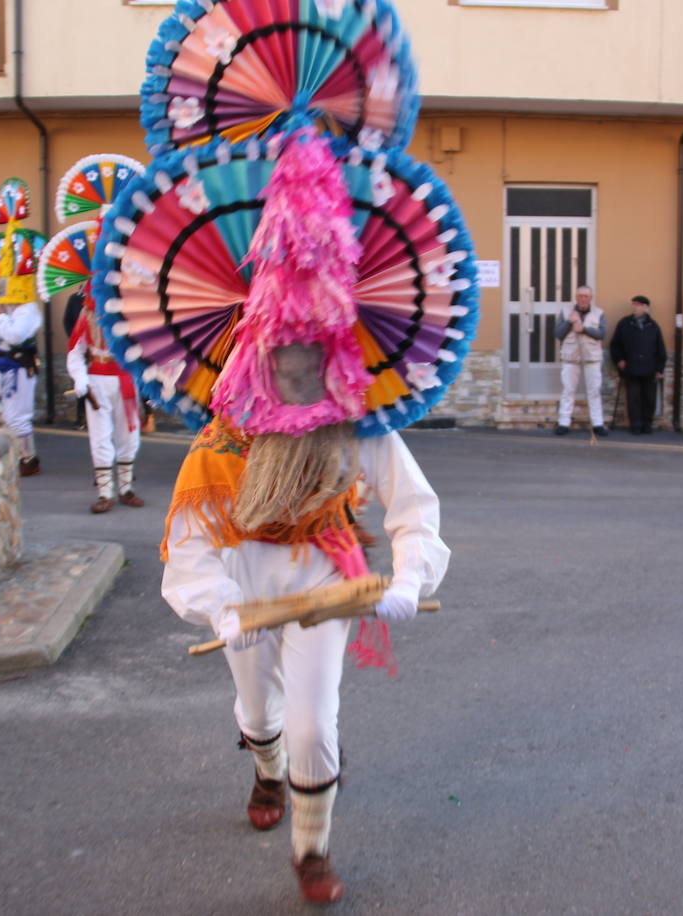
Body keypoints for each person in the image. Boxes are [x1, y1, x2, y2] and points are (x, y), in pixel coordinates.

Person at [159, 131, 451, 905]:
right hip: (247, 576)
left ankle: (311, 849)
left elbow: (415, 507)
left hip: (328, 570)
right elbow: (187, 552)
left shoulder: (357, 423)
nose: (296, 369)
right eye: (281, 356)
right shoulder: (219, 442)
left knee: (314, 722)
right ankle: (261, 765)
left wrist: (403, 581)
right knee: (260, 714)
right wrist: (221, 607)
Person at [65, 298, 144, 513]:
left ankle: (126, 488)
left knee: (129, 434)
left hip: (126, 378)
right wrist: (80, 378)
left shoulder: (134, 310)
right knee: (100, 435)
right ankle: (105, 492)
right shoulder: (88, 314)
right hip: (98, 379)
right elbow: (75, 351)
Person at [0, 280, 43, 475]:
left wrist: (0, 316)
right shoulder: (13, 308)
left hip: (17, 368)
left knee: (18, 416)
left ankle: (27, 458)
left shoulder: (27, 309)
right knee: (10, 416)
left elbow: (14, 336)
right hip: (5, 367)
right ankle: (19, 455)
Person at [553, 284, 608, 436]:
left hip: (592, 357)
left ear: (591, 298)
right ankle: (564, 423)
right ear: (576, 297)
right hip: (571, 357)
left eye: (586, 296)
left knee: (594, 391)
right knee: (568, 391)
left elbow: (602, 334)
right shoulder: (566, 312)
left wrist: (584, 329)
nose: (583, 299)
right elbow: (558, 333)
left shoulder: (599, 313)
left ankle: (598, 424)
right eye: (580, 296)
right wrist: (570, 322)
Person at [609, 295, 666, 434]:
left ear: (646, 308)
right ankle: (635, 425)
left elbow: (660, 349)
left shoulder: (653, 326)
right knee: (633, 398)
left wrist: (659, 368)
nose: (635, 307)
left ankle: (647, 424)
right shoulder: (624, 323)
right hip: (631, 367)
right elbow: (615, 345)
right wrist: (620, 360)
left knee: (649, 398)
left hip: (649, 368)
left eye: (638, 304)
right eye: (634, 304)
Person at [63, 291, 89, 431]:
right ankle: (81, 418)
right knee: (81, 383)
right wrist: (74, 338)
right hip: (80, 346)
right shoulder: (74, 299)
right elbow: (67, 321)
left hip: (95, 349)